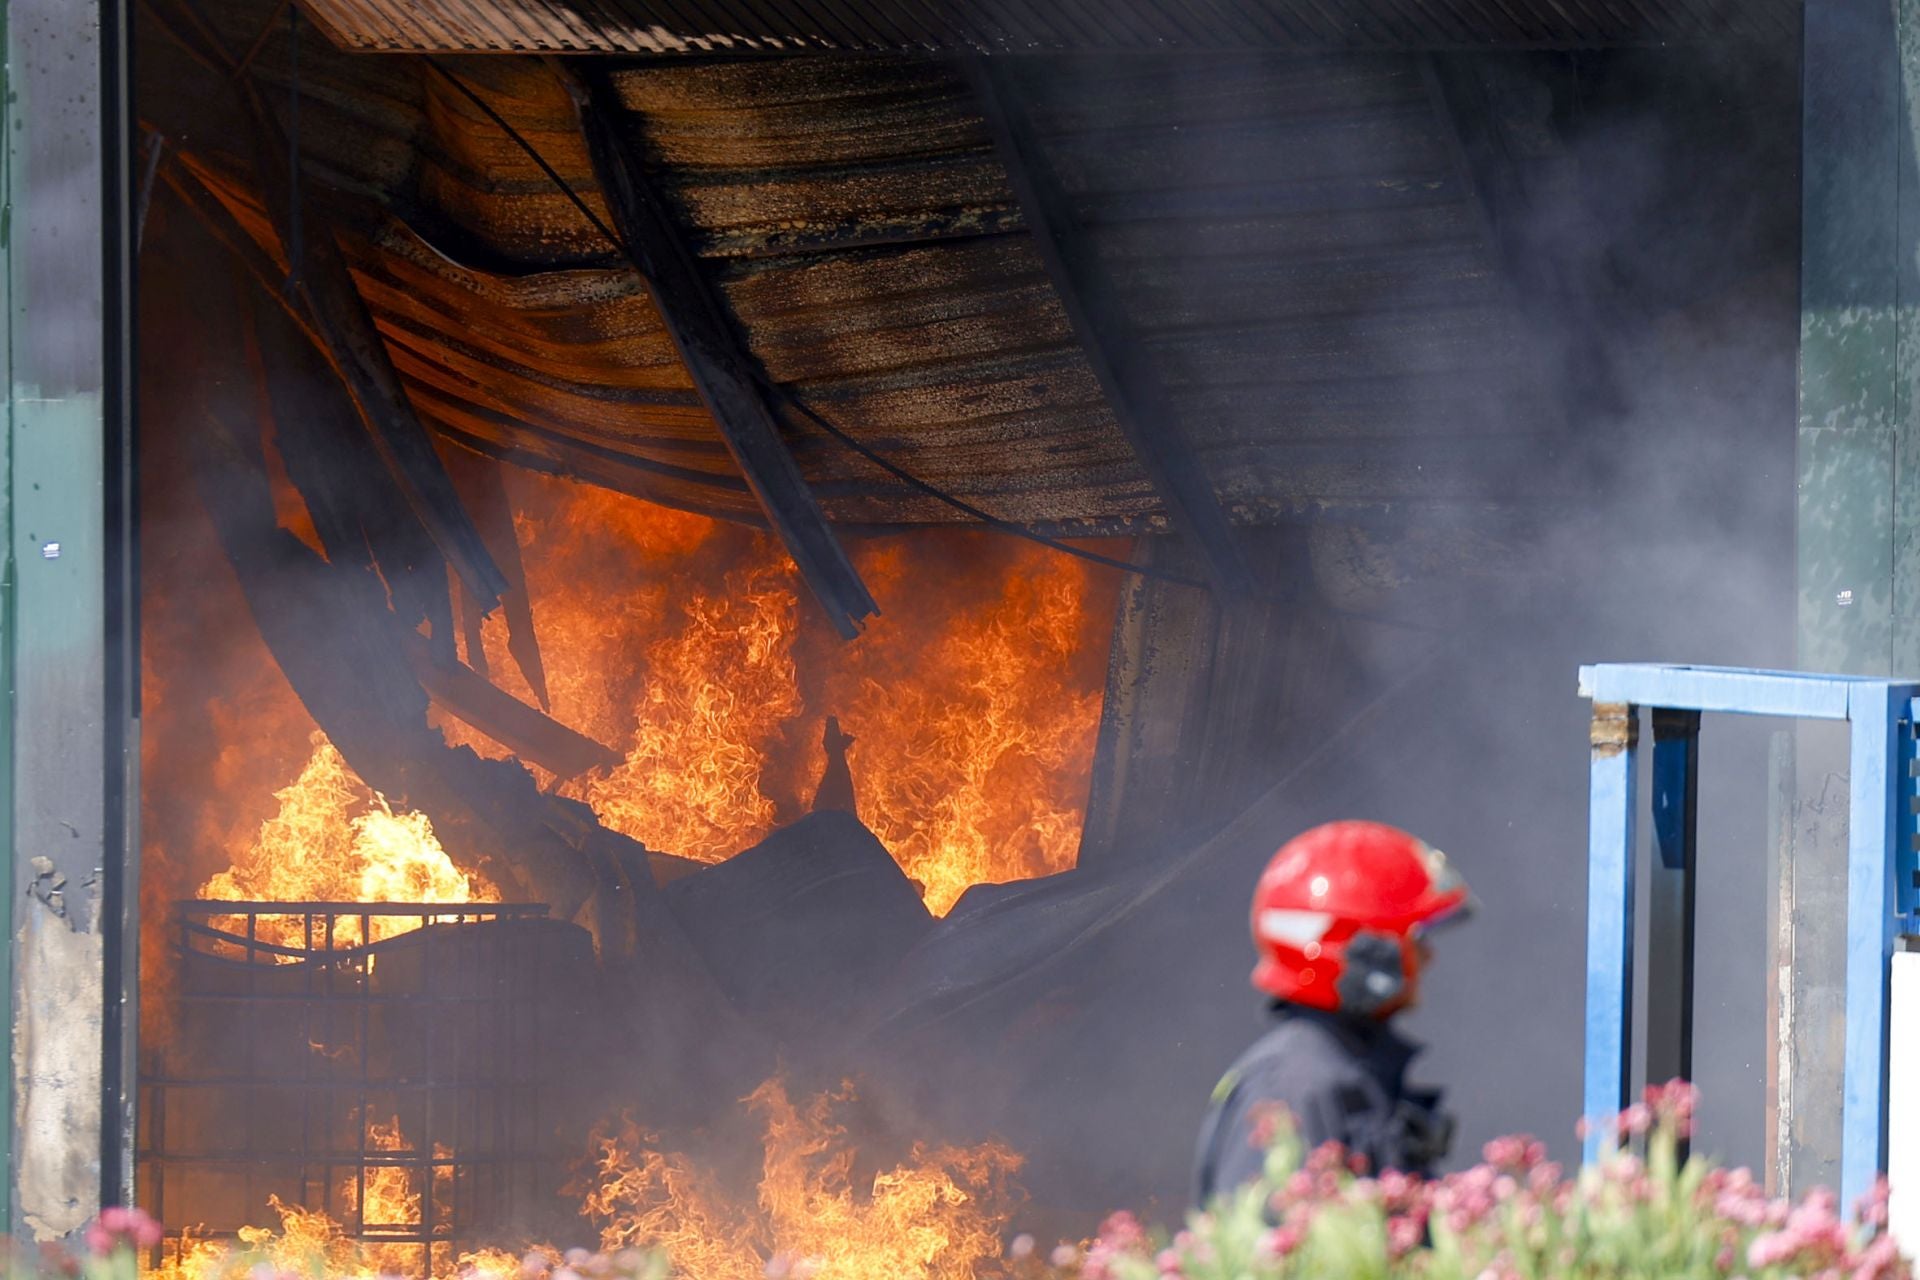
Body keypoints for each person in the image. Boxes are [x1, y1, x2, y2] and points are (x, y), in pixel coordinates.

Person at [1192, 820, 1473, 1207]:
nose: (1429, 955)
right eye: (1417, 936)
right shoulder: (1291, 1089)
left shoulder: (1339, 1075)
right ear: (1362, 949)